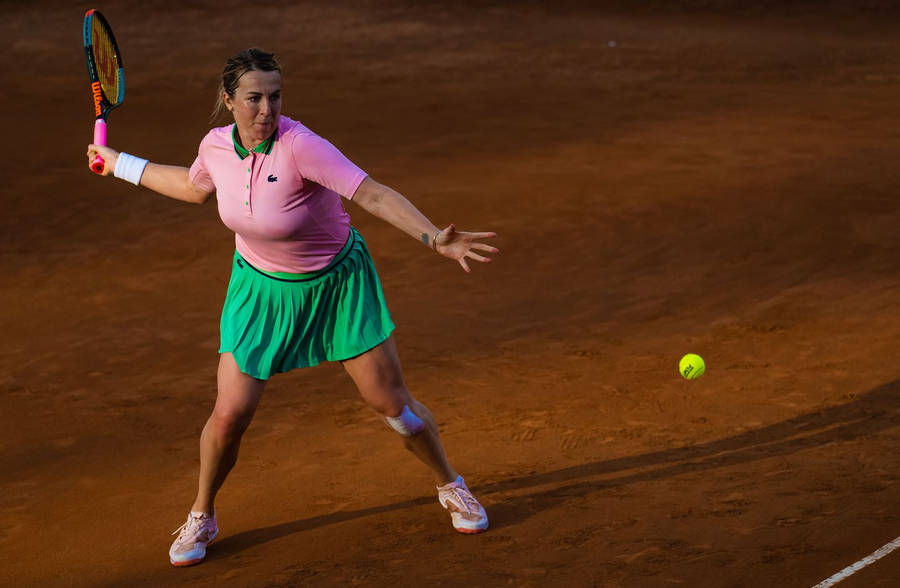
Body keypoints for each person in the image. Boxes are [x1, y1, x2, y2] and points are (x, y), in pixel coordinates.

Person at [86, 48, 499, 567]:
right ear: (228, 100)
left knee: (395, 408)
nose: (266, 109)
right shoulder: (214, 146)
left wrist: (433, 237)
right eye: (254, 98)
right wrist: (120, 164)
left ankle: (449, 483)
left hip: (336, 288)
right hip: (259, 292)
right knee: (230, 414)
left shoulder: (303, 147)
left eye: (275, 97)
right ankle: (202, 514)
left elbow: (370, 195)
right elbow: (194, 189)